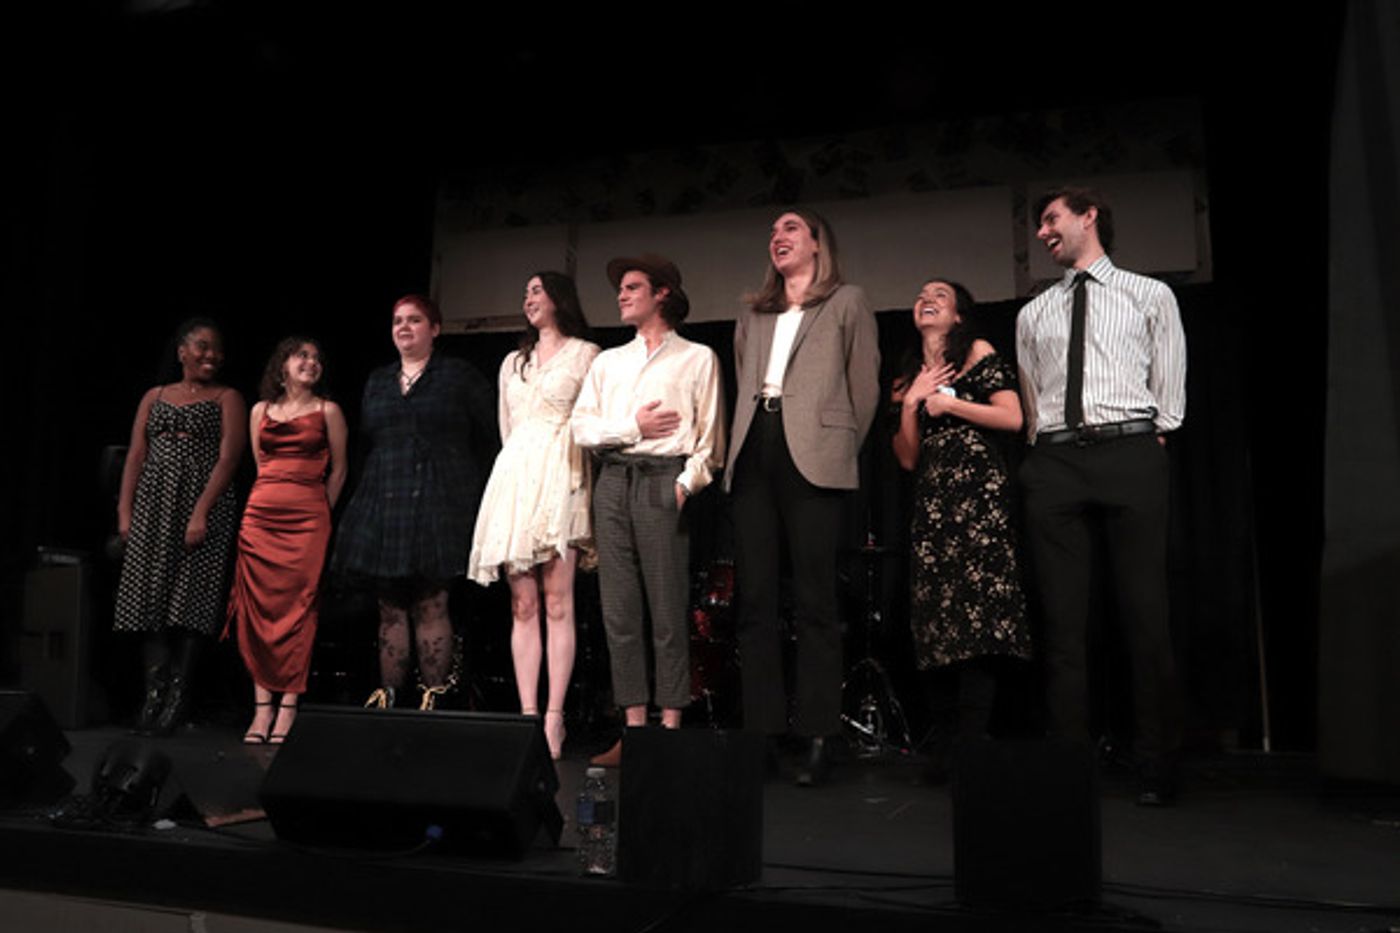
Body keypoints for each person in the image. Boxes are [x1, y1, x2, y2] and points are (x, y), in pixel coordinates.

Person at [1016, 186, 1187, 805]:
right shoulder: (1033, 314)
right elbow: (1033, 397)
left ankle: (1157, 764)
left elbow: (1169, 387)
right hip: (1057, 459)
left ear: (1089, 217)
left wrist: (1151, 435)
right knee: (1063, 625)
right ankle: (1069, 765)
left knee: (1145, 617)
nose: (1042, 232)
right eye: (1038, 224)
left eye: (1051, 218)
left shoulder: (1150, 294)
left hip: (1129, 450)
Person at [726, 209, 880, 786]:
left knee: (816, 600)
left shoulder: (846, 301)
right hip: (755, 449)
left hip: (813, 454)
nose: (778, 236)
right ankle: (762, 733)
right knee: (757, 601)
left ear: (817, 243)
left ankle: (819, 732)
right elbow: (744, 378)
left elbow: (863, 389)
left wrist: (834, 447)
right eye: (772, 231)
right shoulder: (754, 311)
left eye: (791, 229)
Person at [570, 254, 724, 767]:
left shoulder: (697, 357)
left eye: (633, 286)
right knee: (619, 612)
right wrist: (631, 428)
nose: (621, 294)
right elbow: (582, 429)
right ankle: (634, 731)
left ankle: (671, 727)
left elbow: (709, 441)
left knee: (666, 607)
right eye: (621, 288)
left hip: (663, 480)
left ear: (662, 293)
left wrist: (683, 486)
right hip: (614, 479)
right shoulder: (607, 362)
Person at [892, 279, 1032, 780]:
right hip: (932, 501)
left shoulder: (977, 351)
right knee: (936, 619)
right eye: (920, 294)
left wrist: (948, 405)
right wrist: (912, 403)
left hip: (979, 496)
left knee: (978, 617)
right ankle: (948, 742)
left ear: (958, 315)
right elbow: (907, 458)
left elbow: (1013, 418)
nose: (926, 298)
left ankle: (973, 741)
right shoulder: (908, 374)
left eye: (940, 295)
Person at [331, 294, 495, 711]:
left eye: (415, 320)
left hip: (441, 499)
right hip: (387, 498)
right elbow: (372, 438)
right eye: (397, 321)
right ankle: (388, 696)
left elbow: (492, 433)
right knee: (389, 604)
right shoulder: (379, 380)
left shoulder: (458, 376)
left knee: (430, 599)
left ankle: (433, 697)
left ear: (435, 329)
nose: (404, 327)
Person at [467, 272, 599, 760]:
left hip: (562, 473)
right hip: (518, 477)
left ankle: (554, 718)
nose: (528, 299)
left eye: (537, 291)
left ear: (560, 298)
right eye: (524, 292)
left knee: (558, 600)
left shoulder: (586, 355)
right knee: (522, 605)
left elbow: (590, 420)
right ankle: (527, 715)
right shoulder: (512, 363)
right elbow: (507, 428)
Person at [115, 318, 247, 735]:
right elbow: (136, 454)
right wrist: (124, 511)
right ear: (182, 352)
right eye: (203, 347)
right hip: (154, 504)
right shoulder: (154, 397)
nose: (212, 355)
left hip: (202, 504)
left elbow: (229, 459)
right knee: (147, 601)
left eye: (217, 350)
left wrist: (201, 511)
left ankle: (178, 698)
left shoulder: (227, 397)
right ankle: (153, 696)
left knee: (190, 603)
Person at [226, 337, 348, 744]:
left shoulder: (327, 410)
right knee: (258, 609)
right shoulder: (260, 410)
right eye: (303, 356)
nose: (312, 363)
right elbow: (261, 466)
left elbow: (339, 470)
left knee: (299, 609)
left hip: (308, 521)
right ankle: (262, 709)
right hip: (260, 519)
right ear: (282, 366)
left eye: (317, 358)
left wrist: (319, 514)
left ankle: (289, 707)